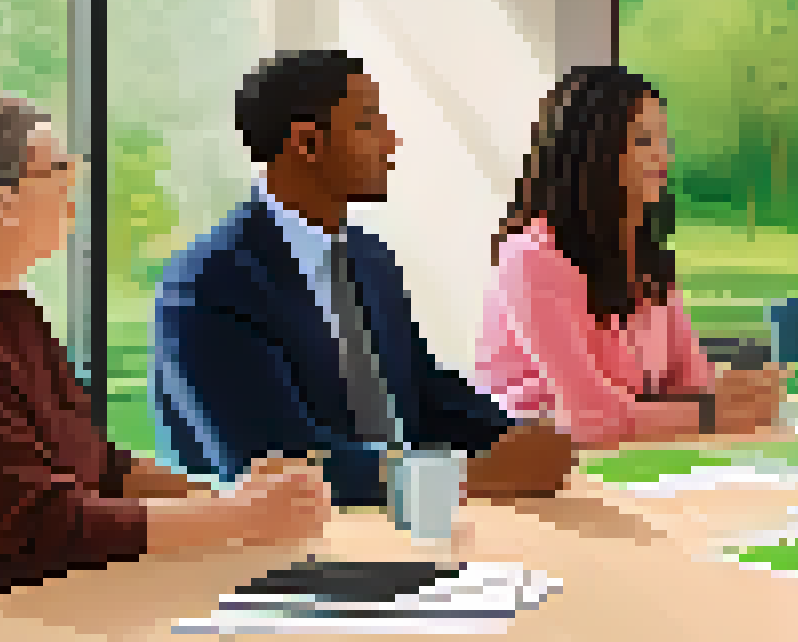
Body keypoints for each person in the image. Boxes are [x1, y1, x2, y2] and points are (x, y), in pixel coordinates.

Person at [0, 93, 330, 642]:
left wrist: (229, 499)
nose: (75, 182)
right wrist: (239, 519)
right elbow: (51, 526)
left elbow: (98, 465)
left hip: (14, 616)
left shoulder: (2, 307)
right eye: (56, 167)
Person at [151, 51, 576, 509]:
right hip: (277, 550)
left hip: (406, 525)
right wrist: (464, 477)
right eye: (368, 125)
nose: (390, 142)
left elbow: (423, 390)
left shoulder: (370, 258)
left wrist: (517, 438)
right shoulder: (205, 284)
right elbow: (271, 461)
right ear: (307, 144)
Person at [475, 66, 790, 445]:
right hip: (544, 473)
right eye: (643, 140)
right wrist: (711, 411)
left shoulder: (644, 258)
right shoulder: (532, 258)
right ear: (592, 152)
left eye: (664, 137)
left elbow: (690, 382)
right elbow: (588, 418)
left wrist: (738, 394)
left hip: (634, 457)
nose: (664, 155)